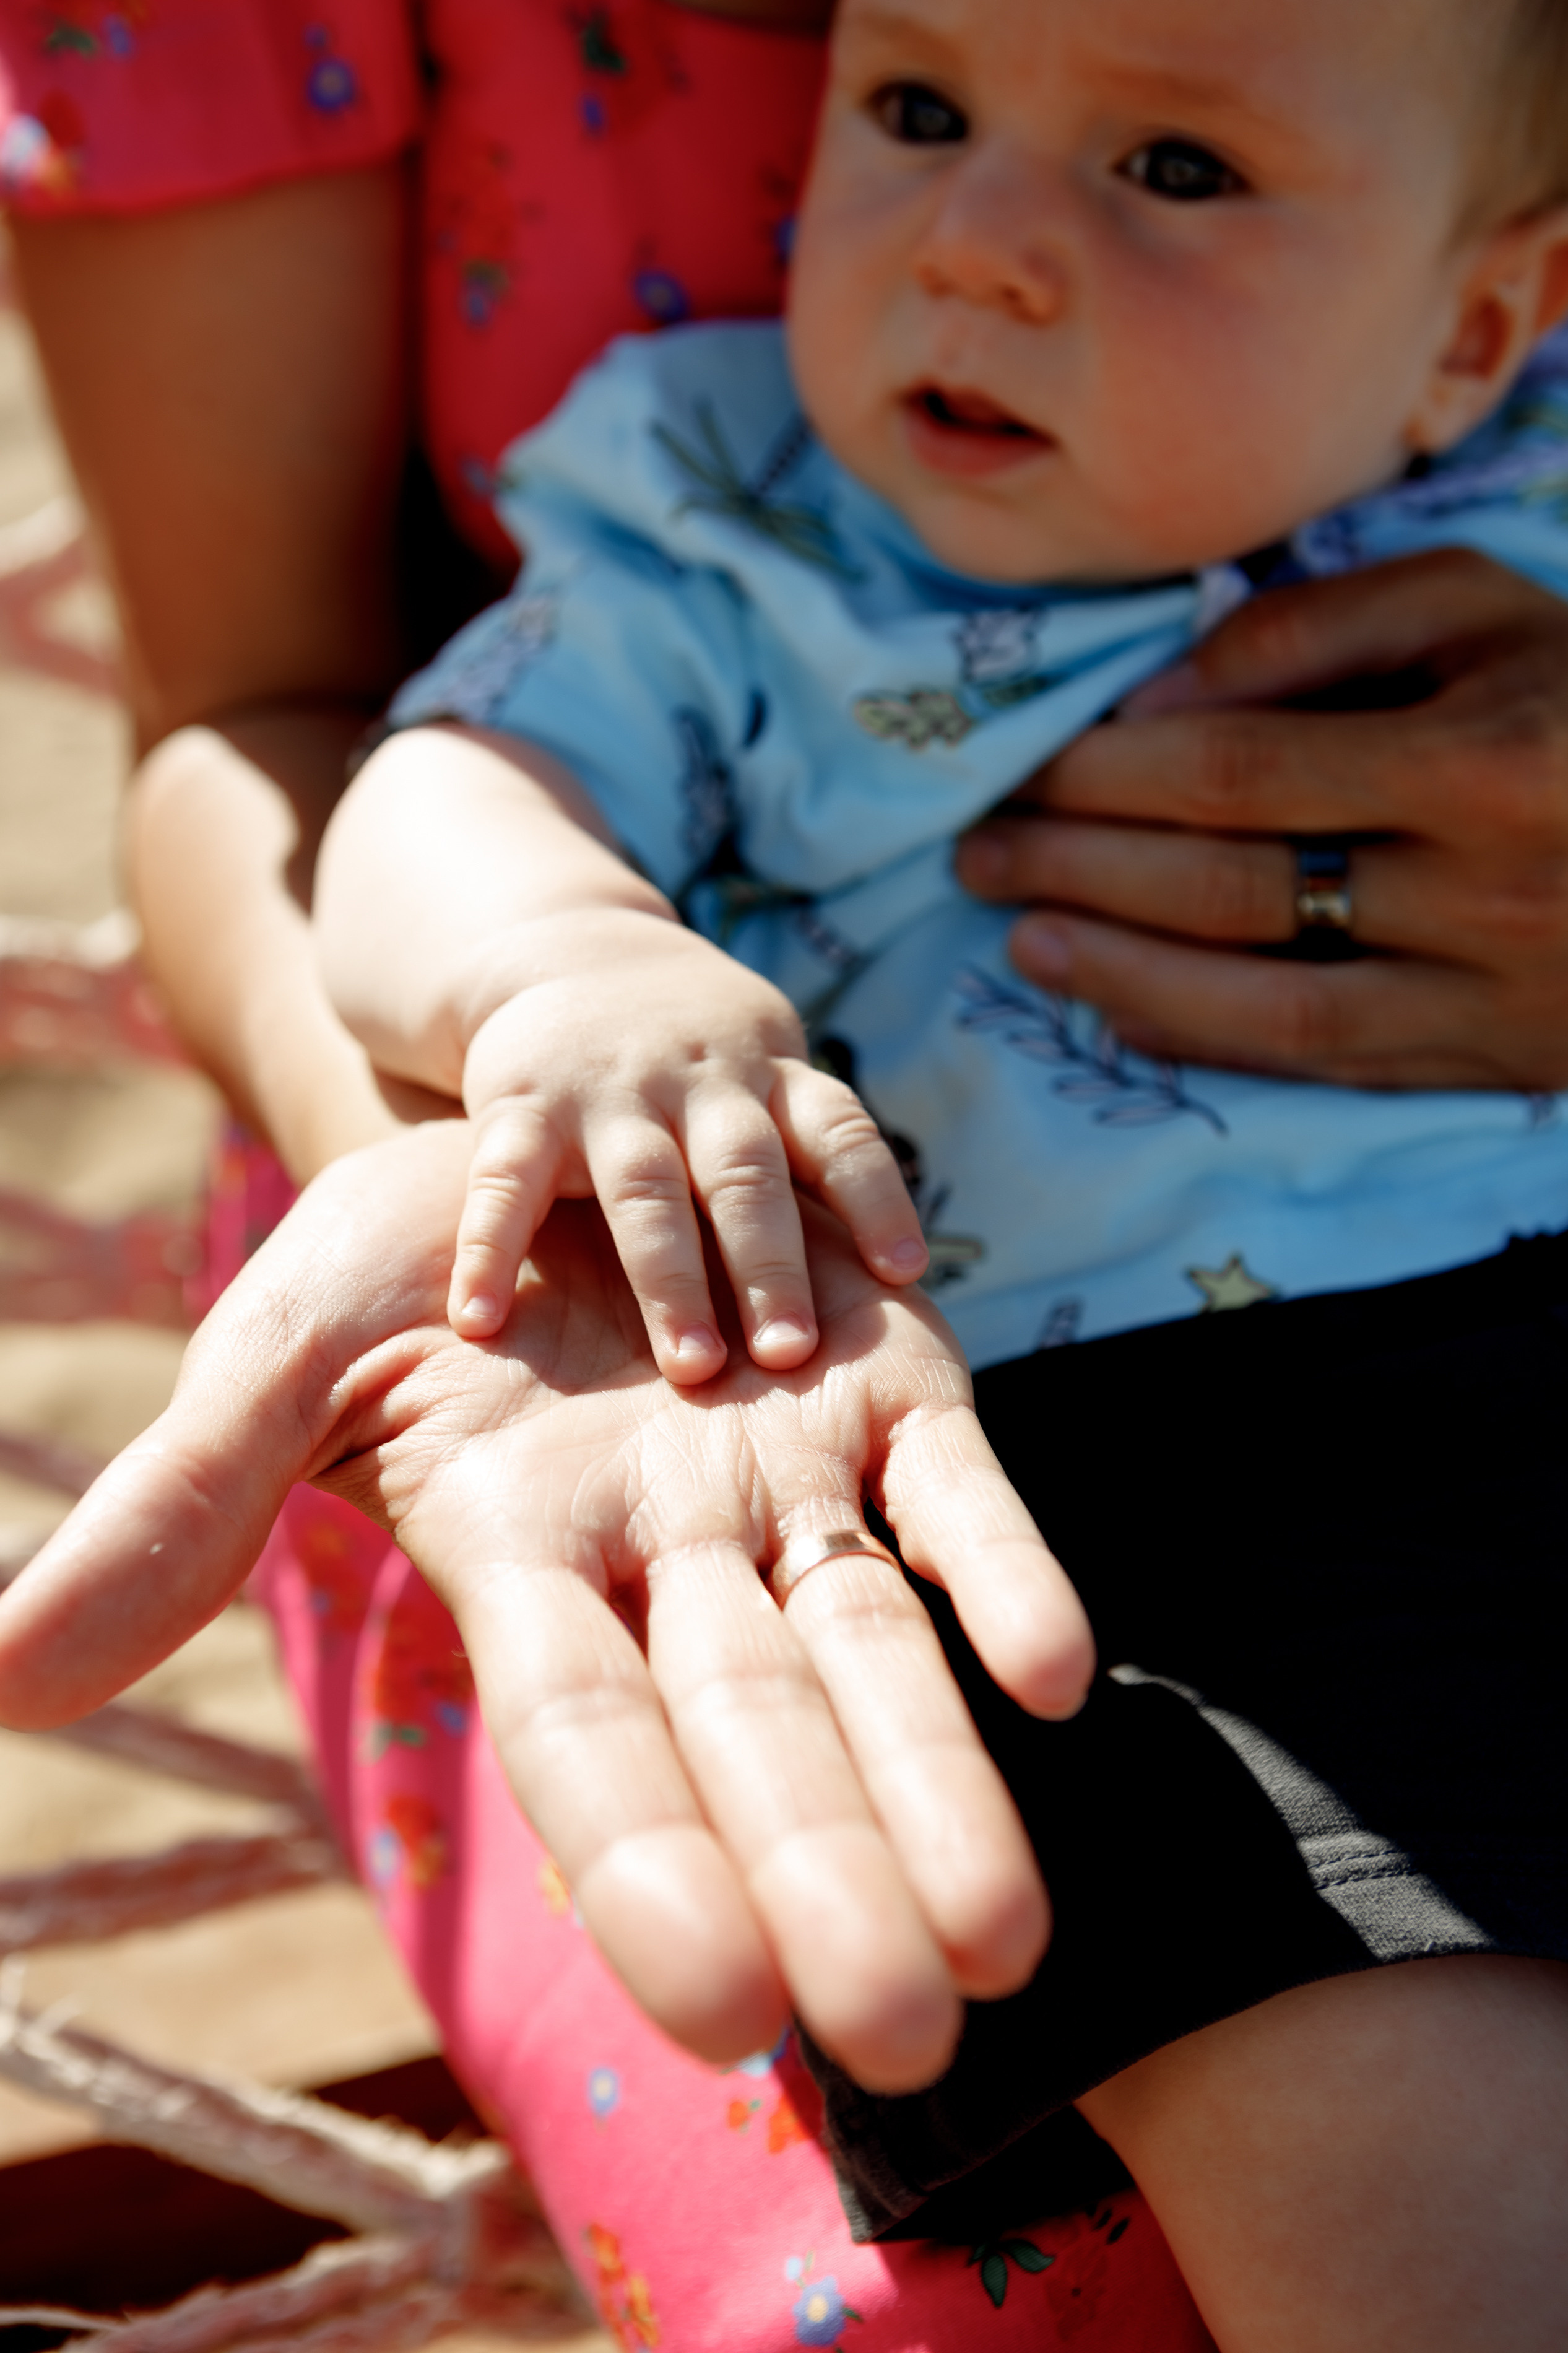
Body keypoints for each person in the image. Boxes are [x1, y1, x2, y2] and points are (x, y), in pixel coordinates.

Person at [2, 1, 1568, 2345]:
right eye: (921, 112)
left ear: (1475, 327)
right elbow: (421, 772)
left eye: (1175, 172)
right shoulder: (731, 525)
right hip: (1113, 1453)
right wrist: (558, 950)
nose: (986, 246)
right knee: (1395, 2096)